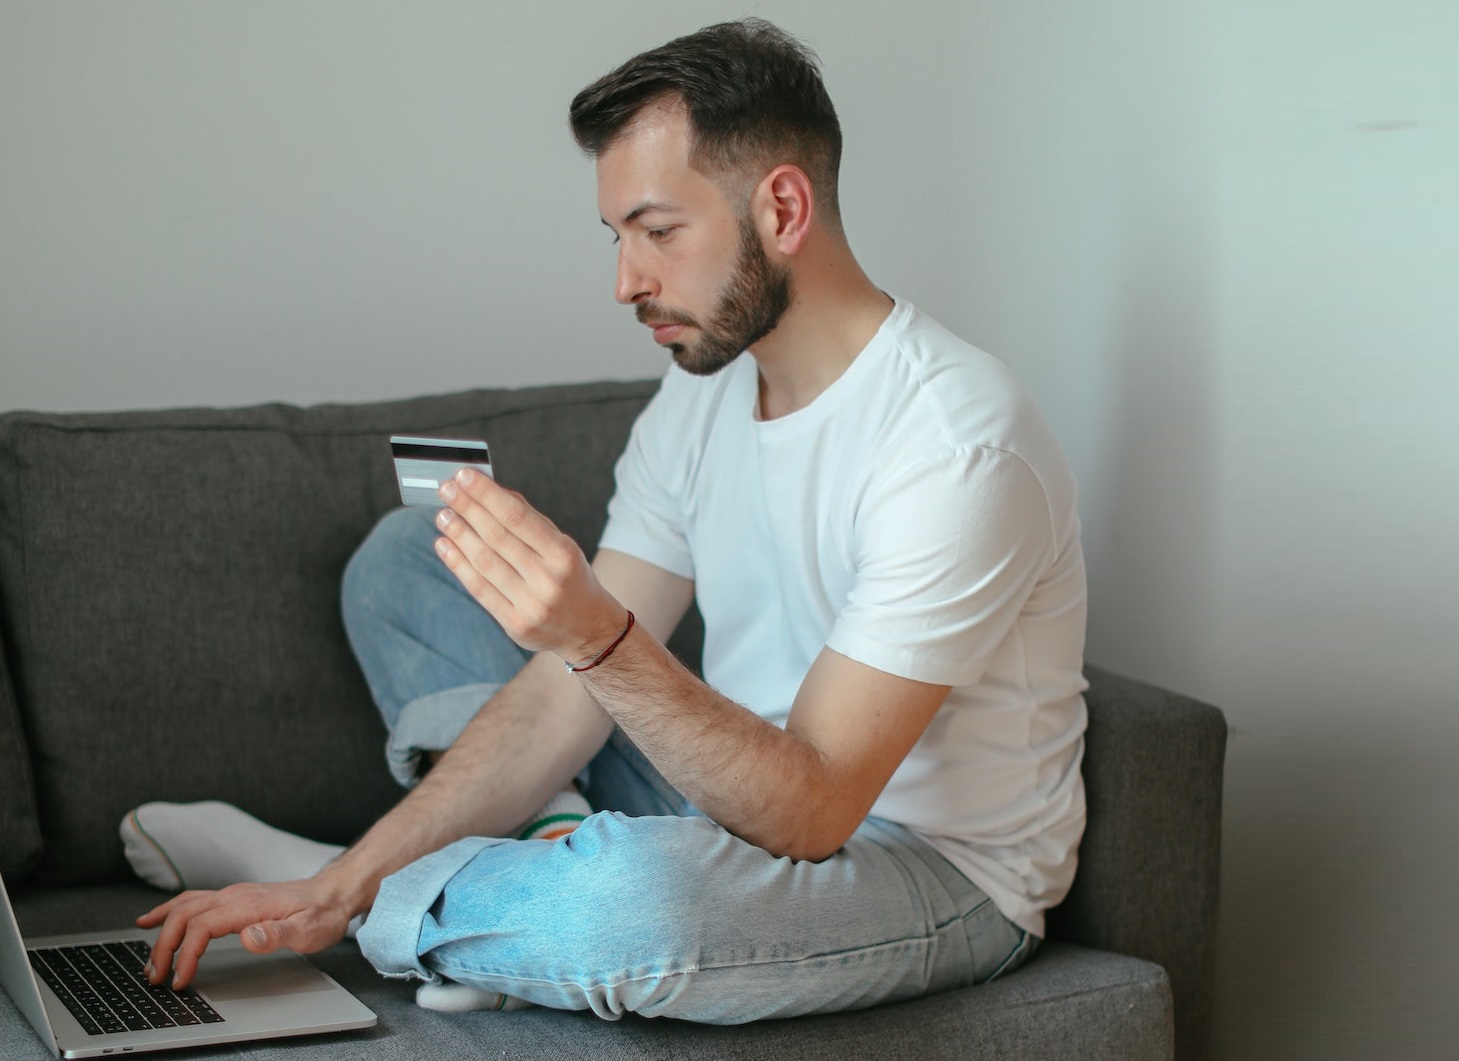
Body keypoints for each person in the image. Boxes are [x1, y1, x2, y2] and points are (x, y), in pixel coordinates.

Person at [125, 18, 1089, 1023]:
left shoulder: (957, 443)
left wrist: (589, 638)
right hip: (725, 792)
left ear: (783, 208)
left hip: (919, 864)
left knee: (630, 904)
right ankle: (504, 864)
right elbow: (563, 700)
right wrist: (579, 646)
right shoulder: (702, 396)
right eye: (617, 236)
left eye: (657, 231)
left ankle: (395, 887)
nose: (626, 280)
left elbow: (813, 809)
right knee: (411, 556)